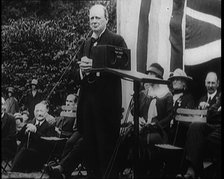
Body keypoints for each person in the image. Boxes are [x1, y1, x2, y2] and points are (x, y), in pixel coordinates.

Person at [73, 4, 127, 178]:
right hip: (87, 108)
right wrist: (82, 71)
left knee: (106, 151)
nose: (94, 21)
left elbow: (124, 66)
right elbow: (74, 73)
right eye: (91, 18)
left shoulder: (116, 40)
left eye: (97, 18)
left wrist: (96, 66)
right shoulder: (85, 43)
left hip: (106, 108)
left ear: (106, 19)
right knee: (90, 152)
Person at [176, 92, 221, 179]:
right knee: (195, 126)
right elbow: (209, 113)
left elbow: (212, 115)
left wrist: (215, 114)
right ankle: (191, 171)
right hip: (213, 126)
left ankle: (199, 172)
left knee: (204, 139)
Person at [11, 102, 57, 172]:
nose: (39, 113)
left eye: (41, 111)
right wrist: (24, 131)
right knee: (20, 147)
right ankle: (15, 170)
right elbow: (19, 137)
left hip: (39, 155)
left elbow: (48, 144)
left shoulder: (49, 126)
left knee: (24, 150)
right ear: (34, 112)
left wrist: (35, 132)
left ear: (46, 113)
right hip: (25, 154)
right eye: (37, 111)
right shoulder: (30, 122)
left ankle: (13, 171)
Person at [46, 93, 83, 179]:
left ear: (75, 103)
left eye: (70, 101)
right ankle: (54, 167)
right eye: (67, 101)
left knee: (70, 143)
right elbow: (56, 122)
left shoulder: (76, 115)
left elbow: (74, 131)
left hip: (66, 139)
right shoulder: (63, 113)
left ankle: (60, 169)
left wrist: (60, 132)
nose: (68, 103)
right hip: (59, 137)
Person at [168, 68, 195, 147]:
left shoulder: (188, 98)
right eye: (173, 80)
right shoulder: (169, 96)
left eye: (177, 79)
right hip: (166, 131)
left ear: (184, 83)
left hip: (179, 133)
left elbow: (187, 119)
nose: (174, 81)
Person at [1, 97, 17, 162]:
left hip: (7, 147)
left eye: (1, 104)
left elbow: (12, 136)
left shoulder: (11, 118)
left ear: (4, 106)